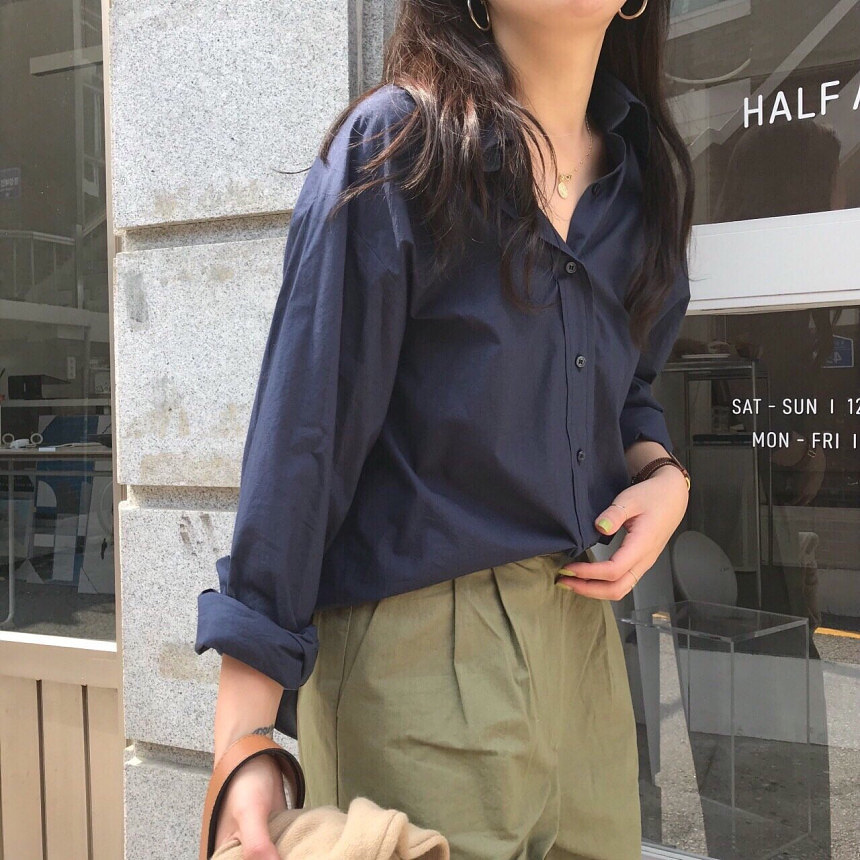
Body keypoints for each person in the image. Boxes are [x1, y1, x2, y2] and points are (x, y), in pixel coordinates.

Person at [194, 1, 694, 858]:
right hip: (418, 651)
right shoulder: (399, 149)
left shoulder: (638, 187)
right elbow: (304, 438)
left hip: (583, 647)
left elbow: (629, 387)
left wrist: (663, 475)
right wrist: (243, 739)